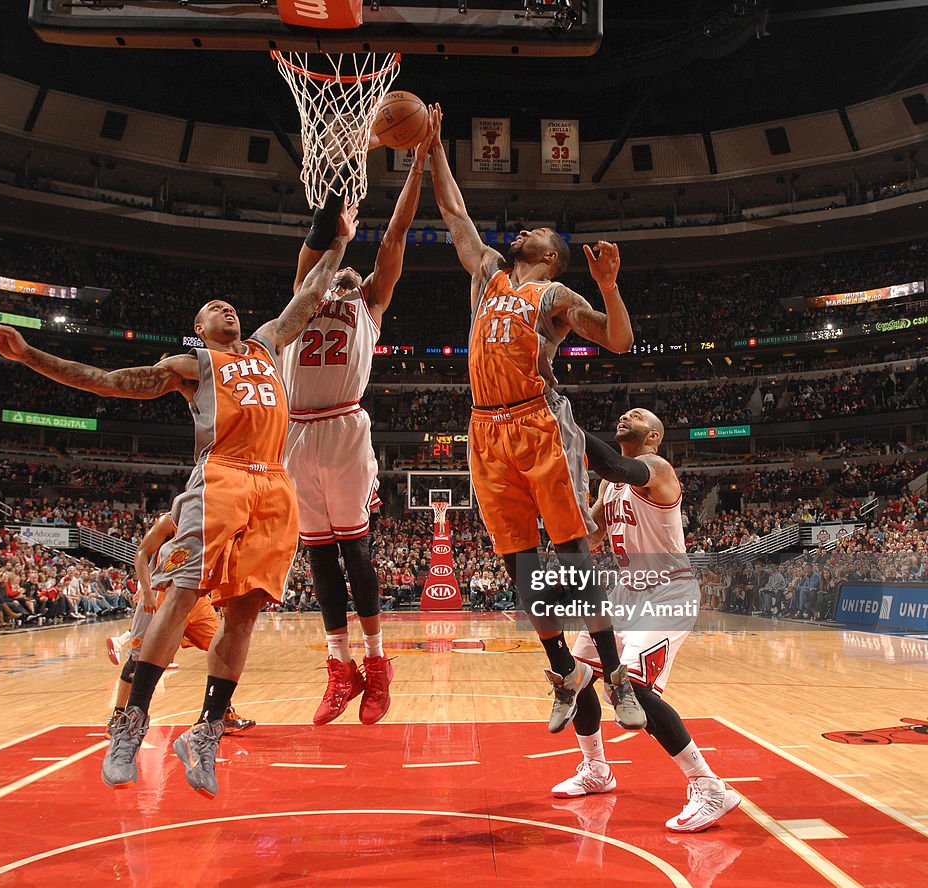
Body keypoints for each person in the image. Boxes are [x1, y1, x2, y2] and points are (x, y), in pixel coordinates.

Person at [0, 202, 355, 798]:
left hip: (276, 486)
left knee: (246, 613)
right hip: (224, 477)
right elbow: (108, 380)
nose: (225, 308)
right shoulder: (193, 365)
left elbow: (309, 295)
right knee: (181, 595)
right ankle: (129, 723)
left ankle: (205, 733)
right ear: (199, 329)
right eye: (212, 308)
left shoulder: (264, 346)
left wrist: (339, 240)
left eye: (229, 305)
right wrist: (30, 356)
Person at [427, 104, 644, 733]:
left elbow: (619, 341)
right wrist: (434, 148)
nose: (524, 231)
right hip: (485, 430)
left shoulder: (554, 295)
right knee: (520, 568)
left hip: (538, 423)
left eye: (538, 231)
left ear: (552, 256)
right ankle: (565, 673)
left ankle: (615, 675)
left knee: (573, 557)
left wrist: (608, 285)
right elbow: (454, 215)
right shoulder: (490, 276)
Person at [283, 116, 437, 727]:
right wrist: (341, 176)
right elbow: (318, 240)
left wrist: (418, 164)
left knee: (355, 550)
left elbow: (397, 233)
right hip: (296, 430)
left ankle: (378, 666)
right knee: (319, 557)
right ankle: (338, 666)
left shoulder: (368, 301)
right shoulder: (304, 289)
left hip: (344, 428)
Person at [550, 408, 740, 833]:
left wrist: (562, 421)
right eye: (621, 413)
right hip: (625, 590)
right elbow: (591, 534)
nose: (623, 416)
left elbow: (613, 462)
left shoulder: (656, 468)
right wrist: (559, 501)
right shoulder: (609, 484)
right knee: (574, 676)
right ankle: (597, 770)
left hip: (667, 589)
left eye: (636, 415)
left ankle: (710, 787)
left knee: (630, 686)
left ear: (653, 435)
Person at [104, 512, 253, 739]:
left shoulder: (217, 520)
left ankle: (220, 712)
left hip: (197, 597)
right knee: (138, 658)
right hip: (162, 593)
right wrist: (145, 589)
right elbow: (142, 553)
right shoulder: (169, 521)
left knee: (222, 648)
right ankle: (120, 715)